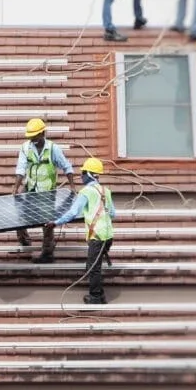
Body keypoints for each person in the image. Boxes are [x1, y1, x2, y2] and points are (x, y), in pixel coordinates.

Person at [48, 157, 116, 304]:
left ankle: (96, 297)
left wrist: (55, 223)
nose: (81, 176)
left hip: (97, 236)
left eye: (83, 172)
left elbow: (73, 213)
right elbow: (112, 214)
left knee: (93, 267)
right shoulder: (106, 191)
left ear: (90, 174)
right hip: (108, 236)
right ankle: (100, 294)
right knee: (93, 265)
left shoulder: (86, 192)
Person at [12, 117, 76, 264]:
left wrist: (72, 186)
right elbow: (21, 168)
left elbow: (66, 166)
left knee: (47, 223)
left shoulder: (53, 148)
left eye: (35, 136)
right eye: (31, 137)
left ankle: (47, 253)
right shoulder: (25, 147)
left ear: (43, 134)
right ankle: (25, 241)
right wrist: (16, 187)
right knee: (18, 213)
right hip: (30, 188)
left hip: (47, 192)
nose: (32, 139)